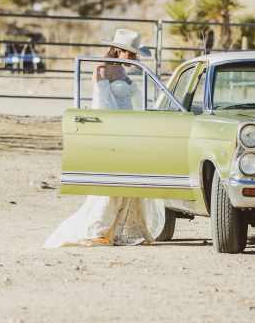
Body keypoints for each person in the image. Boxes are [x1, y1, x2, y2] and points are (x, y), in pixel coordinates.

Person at [44, 29, 166, 248]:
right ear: (119, 50)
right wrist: (115, 127)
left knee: (132, 181)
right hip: (115, 130)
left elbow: (133, 100)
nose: (134, 59)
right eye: (131, 54)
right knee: (113, 182)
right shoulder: (102, 69)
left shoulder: (124, 72)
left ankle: (125, 227)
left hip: (130, 131)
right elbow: (102, 101)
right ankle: (100, 229)